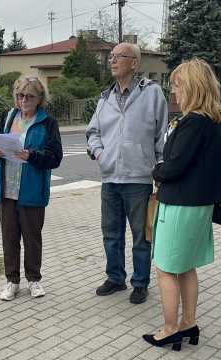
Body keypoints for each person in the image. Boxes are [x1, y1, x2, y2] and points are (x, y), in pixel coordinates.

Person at [142, 59, 221, 350]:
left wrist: (156, 170)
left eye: (176, 85)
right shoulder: (213, 122)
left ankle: (170, 328)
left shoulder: (193, 123)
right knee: (186, 267)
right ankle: (189, 323)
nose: (173, 92)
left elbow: (174, 167)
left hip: (180, 205)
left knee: (165, 269)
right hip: (200, 206)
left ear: (192, 86)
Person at [86, 43, 168, 304]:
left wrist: (160, 169)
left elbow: (161, 136)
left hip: (139, 177)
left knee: (140, 235)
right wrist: (100, 154)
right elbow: (93, 133)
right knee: (111, 232)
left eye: (118, 57)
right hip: (110, 177)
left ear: (134, 63)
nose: (112, 61)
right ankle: (115, 277)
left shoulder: (152, 93)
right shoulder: (104, 97)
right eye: (111, 57)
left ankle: (140, 282)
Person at [0, 76, 63, 301]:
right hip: (7, 188)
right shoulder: (8, 117)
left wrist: (31, 155)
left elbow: (55, 157)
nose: (24, 100)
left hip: (31, 189)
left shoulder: (47, 122)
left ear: (40, 98)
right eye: (20, 96)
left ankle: (34, 280)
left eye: (29, 96)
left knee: (32, 237)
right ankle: (12, 281)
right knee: (9, 237)